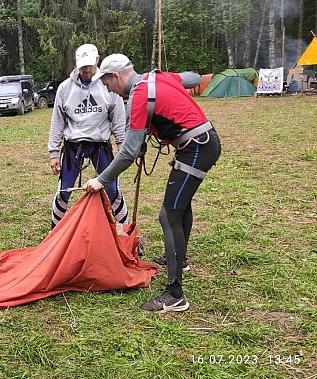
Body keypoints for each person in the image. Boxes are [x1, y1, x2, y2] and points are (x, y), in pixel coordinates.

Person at [84, 54, 221, 312]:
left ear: (117, 76)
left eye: (106, 83)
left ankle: (175, 295)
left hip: (197, 148)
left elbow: (128, 152)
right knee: (181, 207)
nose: (106, 88)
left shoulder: (138, 96)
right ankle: (180, 261)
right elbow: (191, 77)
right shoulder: (156, 78)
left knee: (169, 215)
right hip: (199, 144)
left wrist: (101, 180)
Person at [48, 44, 128, 229]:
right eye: (82, 66)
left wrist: (124, 149)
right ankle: (53, 235)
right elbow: (57, 122)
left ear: (97, 61)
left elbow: (118, 121)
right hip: (72, 147)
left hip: (100, 146)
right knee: (63, 191)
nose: (86, 70)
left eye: (89, 65)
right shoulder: (64, 88)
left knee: (112, 189)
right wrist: (53, 153)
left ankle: (126, 231)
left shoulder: (108, 85)